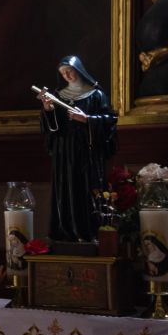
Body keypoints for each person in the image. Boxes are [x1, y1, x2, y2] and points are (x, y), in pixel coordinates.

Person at [35, 56, 118, 243]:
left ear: (79, 70)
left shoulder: (95, 95)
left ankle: (87, 233)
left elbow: (110, 122)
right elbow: (53, 129)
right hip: (64, 152)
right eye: (63, 73)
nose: (67, 76)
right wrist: (48, 110)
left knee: (85, 191)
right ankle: (64, 231)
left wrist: (87, 119)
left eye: (69, 71)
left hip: (86, 153)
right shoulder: (58, 95)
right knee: (64, 190)